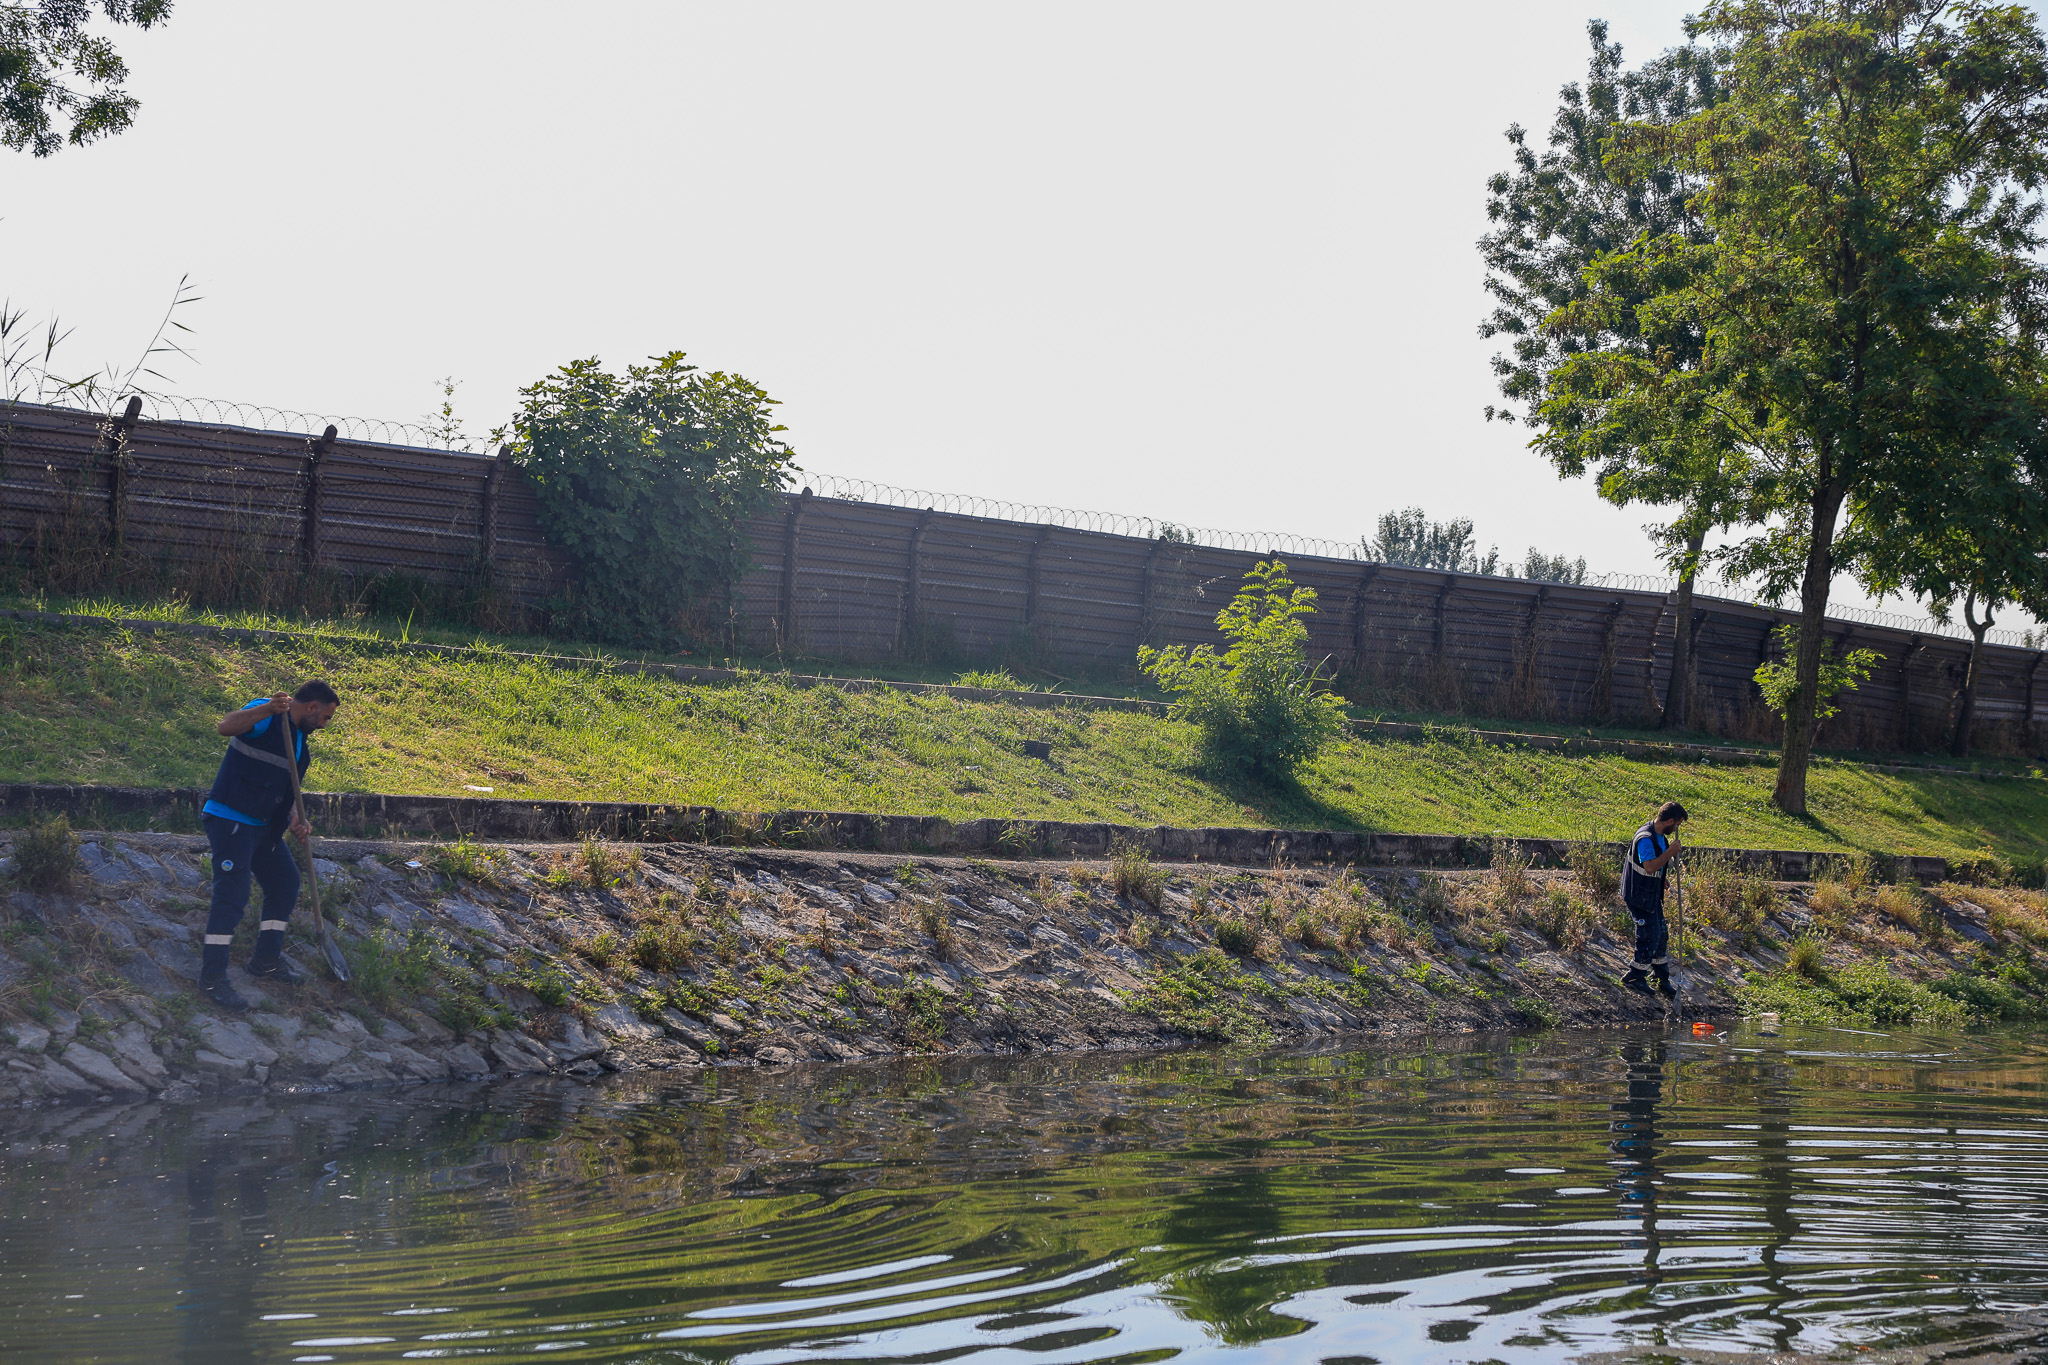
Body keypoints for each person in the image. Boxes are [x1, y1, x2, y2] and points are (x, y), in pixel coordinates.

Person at [197, 680, 341, 1011]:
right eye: (325, 717)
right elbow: (225, 726)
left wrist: (294, 816)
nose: (325, 724)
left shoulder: (301, 737)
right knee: (232, 897)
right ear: (311, 707)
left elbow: (283, 783)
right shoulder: (266, 713)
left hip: (265, 827)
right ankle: (212, 978)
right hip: (232, 820)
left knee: (285, 884)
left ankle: (266, 962)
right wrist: (265, 708)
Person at [1619, 800, 1687, 999]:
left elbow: (1655, 868)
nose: (1677, 829)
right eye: (1677, 824)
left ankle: (1661, 978)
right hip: (1638, 894)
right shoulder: (1645, 839)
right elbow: (1649, 866)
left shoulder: (1659, 836)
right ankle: (1635, 976)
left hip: (1651, 893)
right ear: (1670, 821)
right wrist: (1670, 853)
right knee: (1649, 934)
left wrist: (1662, 879)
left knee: (1661, 934)